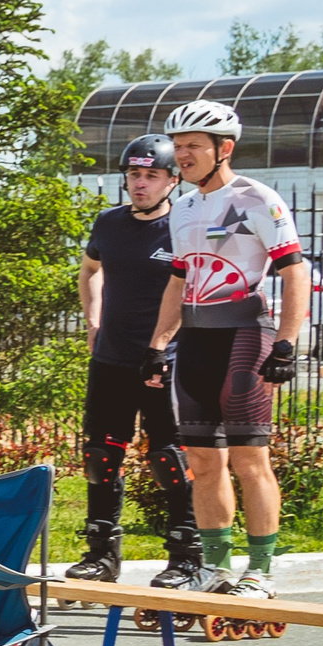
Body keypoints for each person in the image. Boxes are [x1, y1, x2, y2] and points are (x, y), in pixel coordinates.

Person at [142, 100, 308, 598]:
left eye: (193, 146)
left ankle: (260, 572)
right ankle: (216, 569)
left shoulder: (258, 199)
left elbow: (295, 271)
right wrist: (158, 343)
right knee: (202, 458)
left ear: (224, 148)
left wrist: (286, 343)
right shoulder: (184, 207)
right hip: (196, 339)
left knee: (249, 458)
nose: (182, 155)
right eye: (177, 146)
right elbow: (178, 279)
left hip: (244, 335)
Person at [69, 135, 203, 586]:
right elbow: (91, 269)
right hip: (111, 358)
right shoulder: (109, 223)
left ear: (172, 180)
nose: (140, 184)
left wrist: (163, 346)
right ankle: (101, 554)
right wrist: (93, 318)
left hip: (164, 361)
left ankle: (186, 557)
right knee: (101, 456)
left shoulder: (184, 225)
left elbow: (190, 290)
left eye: (151, 176)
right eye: (133, 175)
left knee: (168, 458)